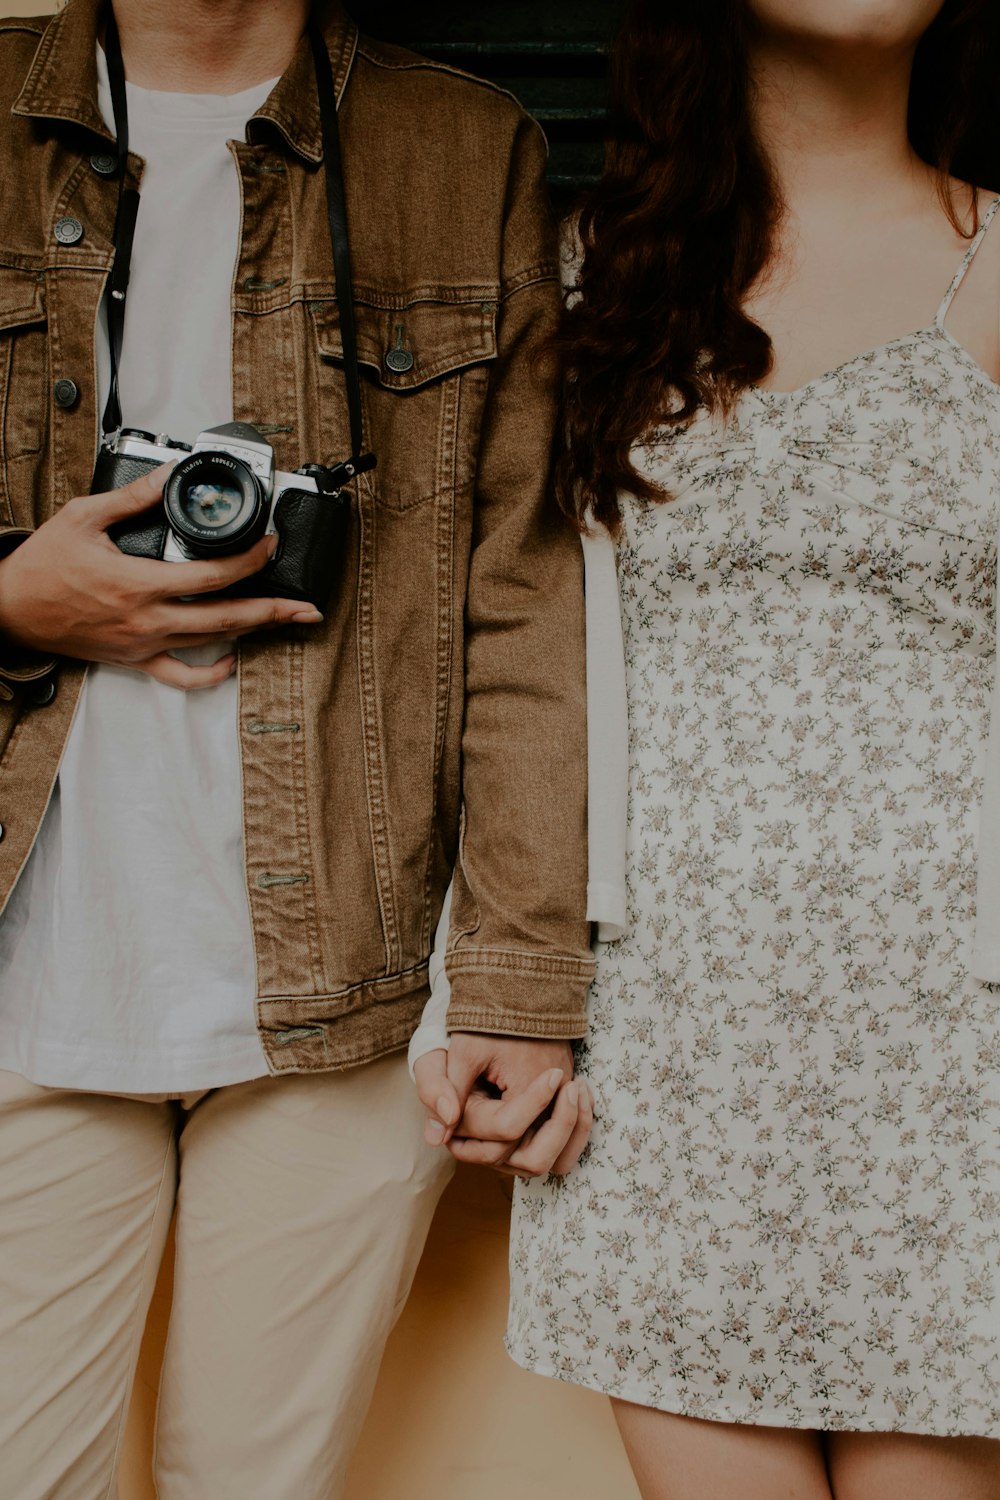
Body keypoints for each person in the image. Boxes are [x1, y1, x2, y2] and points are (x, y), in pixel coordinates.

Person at [0, 1, 595, 1495]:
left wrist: (522, 980)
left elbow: (523, 603)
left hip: (353, 985)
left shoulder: (463, 155)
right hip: (25, 974)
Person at [418, 0, 1000, 1496]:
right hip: (665, 1035)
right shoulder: (583, 275)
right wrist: (499, 987)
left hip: (953, 1045)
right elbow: (504, 649)